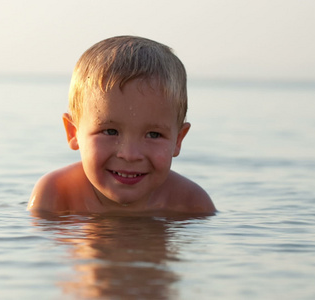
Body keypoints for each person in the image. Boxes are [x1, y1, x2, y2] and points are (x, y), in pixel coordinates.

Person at [28, 35, 216, 215]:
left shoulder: (191, 203)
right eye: (110, 131)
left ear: (178, 139)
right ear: (73, 132)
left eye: (153, 135)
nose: (130, 155)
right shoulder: (57, 195)